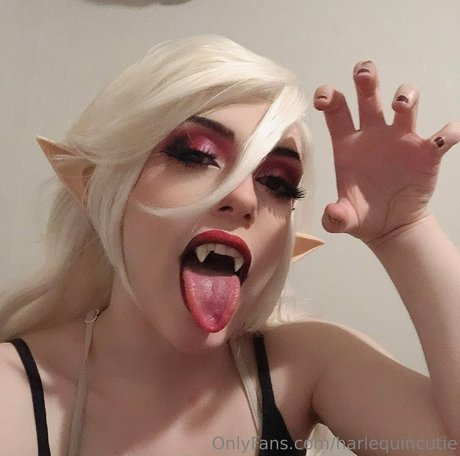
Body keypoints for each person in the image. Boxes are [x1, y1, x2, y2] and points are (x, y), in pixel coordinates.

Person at [0, 35, 459, 456]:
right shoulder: (12, 388)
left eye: (277, 182)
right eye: (196, 156)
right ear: (106, 189)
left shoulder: (304, 365)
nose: (244, 198)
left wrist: (405, 230)